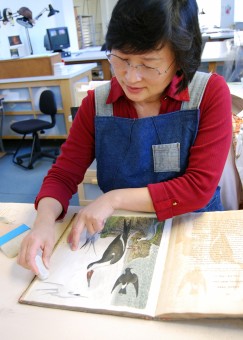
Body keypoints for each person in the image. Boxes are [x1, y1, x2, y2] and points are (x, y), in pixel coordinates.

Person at [18, 0, 232, 275]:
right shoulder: (98, 104)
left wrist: (113, 199)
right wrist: (44, 222)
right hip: (123, 233)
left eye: (148, 65)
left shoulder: (209, 93)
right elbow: (63, 175)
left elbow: (197, 187)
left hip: (191, 226)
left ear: (180, 57)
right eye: (121, 59)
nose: (131, 77)